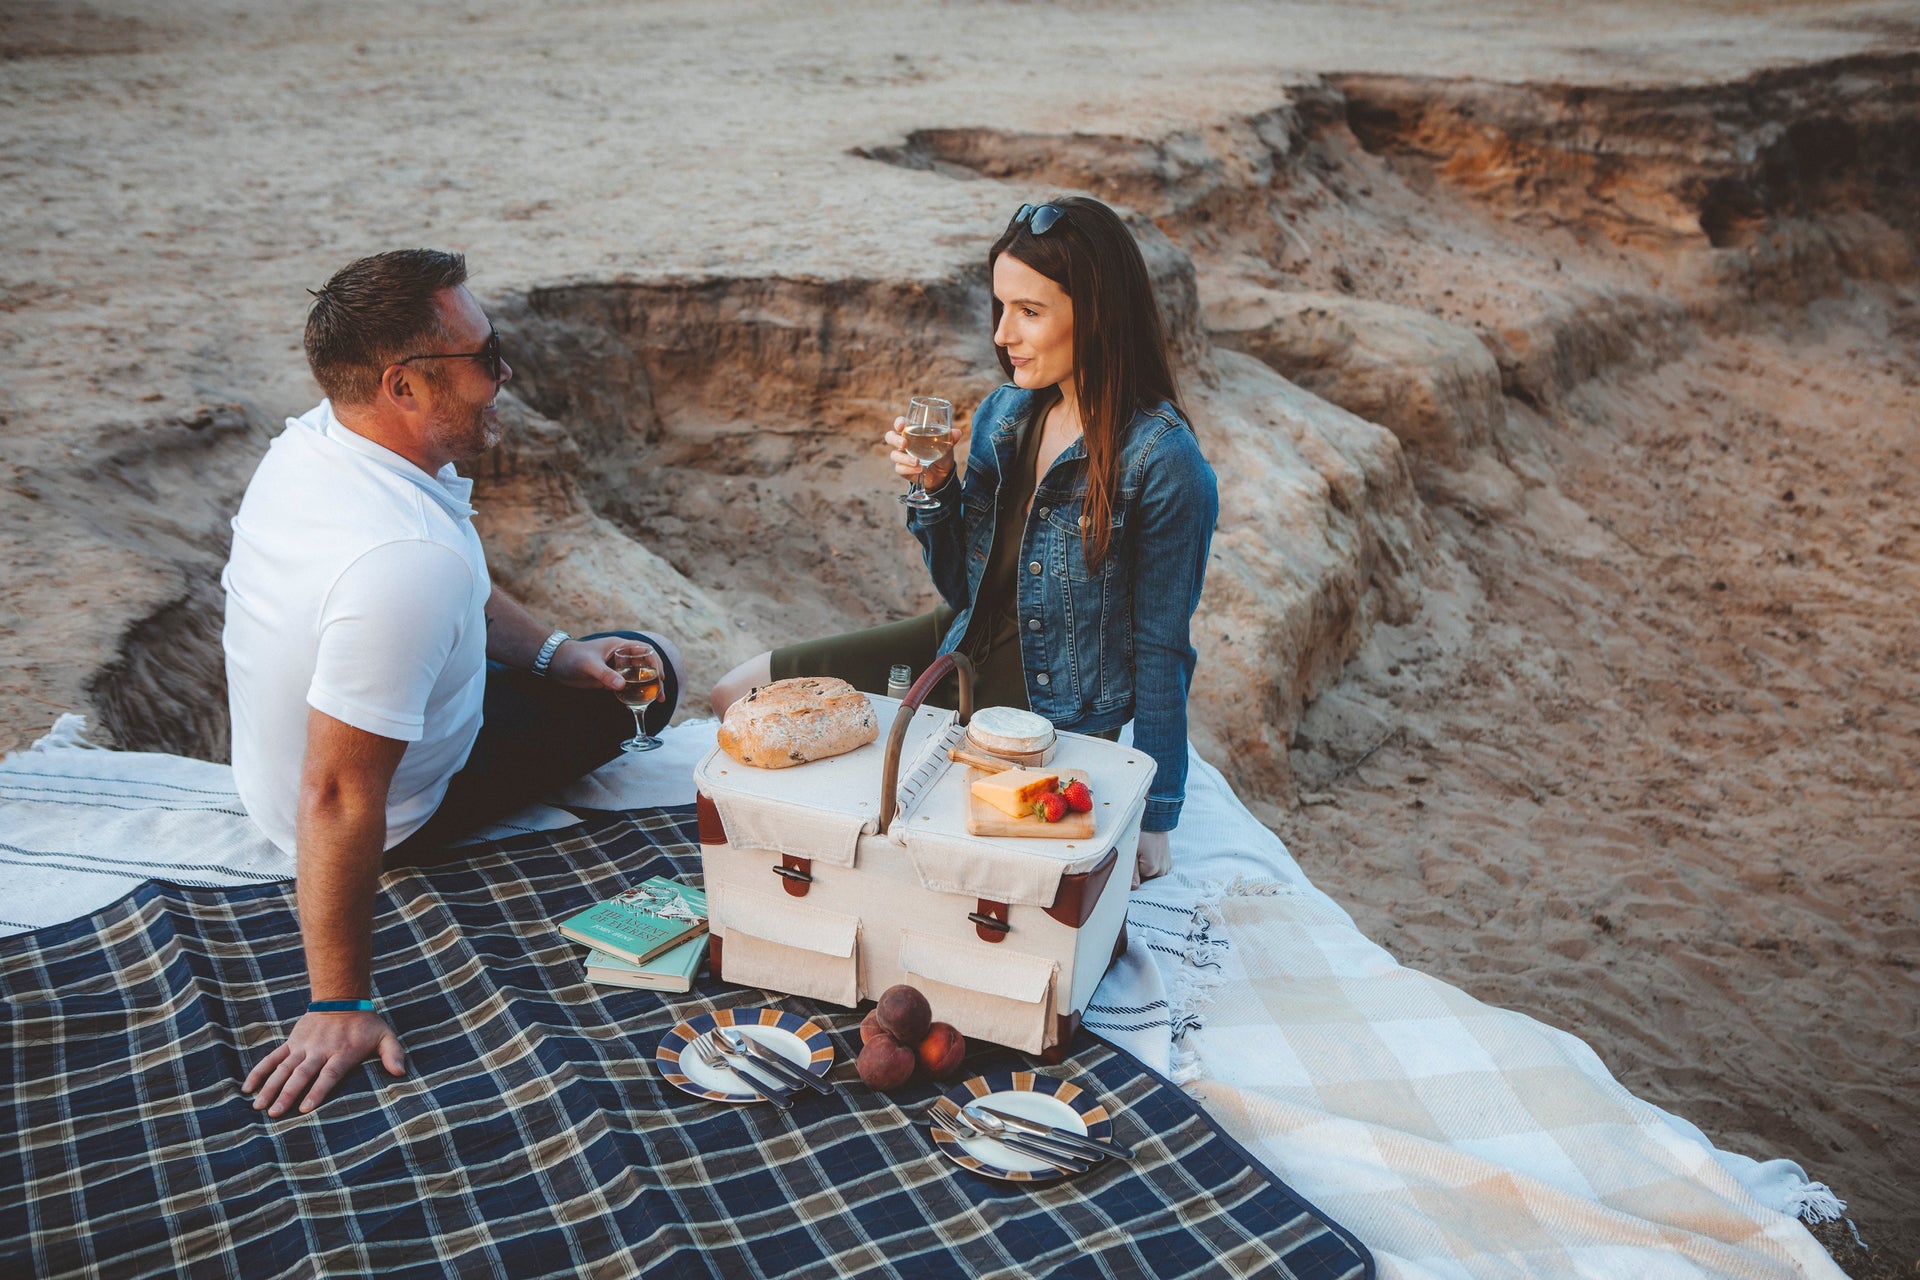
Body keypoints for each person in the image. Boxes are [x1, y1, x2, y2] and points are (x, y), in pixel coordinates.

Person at [222, 249, 684, 1118]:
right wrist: (337, 1005)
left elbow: (455, 580)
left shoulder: (320, 443)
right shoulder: (403, 563)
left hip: (265, 779)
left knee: (606, 658)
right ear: (403, 385)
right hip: (392, 813)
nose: (502, 373)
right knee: (653, 672)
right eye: (483, 356)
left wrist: (556, 655)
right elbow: (334, 794)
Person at [712, 197, 1218, 884]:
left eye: (1030, 312)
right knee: (735, 695)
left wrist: (1157, 818)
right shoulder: (1006, 413)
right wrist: (934, 487)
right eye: (1001, 307)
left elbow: (1163, 649)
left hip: (1049, 704)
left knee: (924, 837)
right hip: (960, 642)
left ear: (1097, 314)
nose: (1004, 334)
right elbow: (959, 587)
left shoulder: (1165, 464)